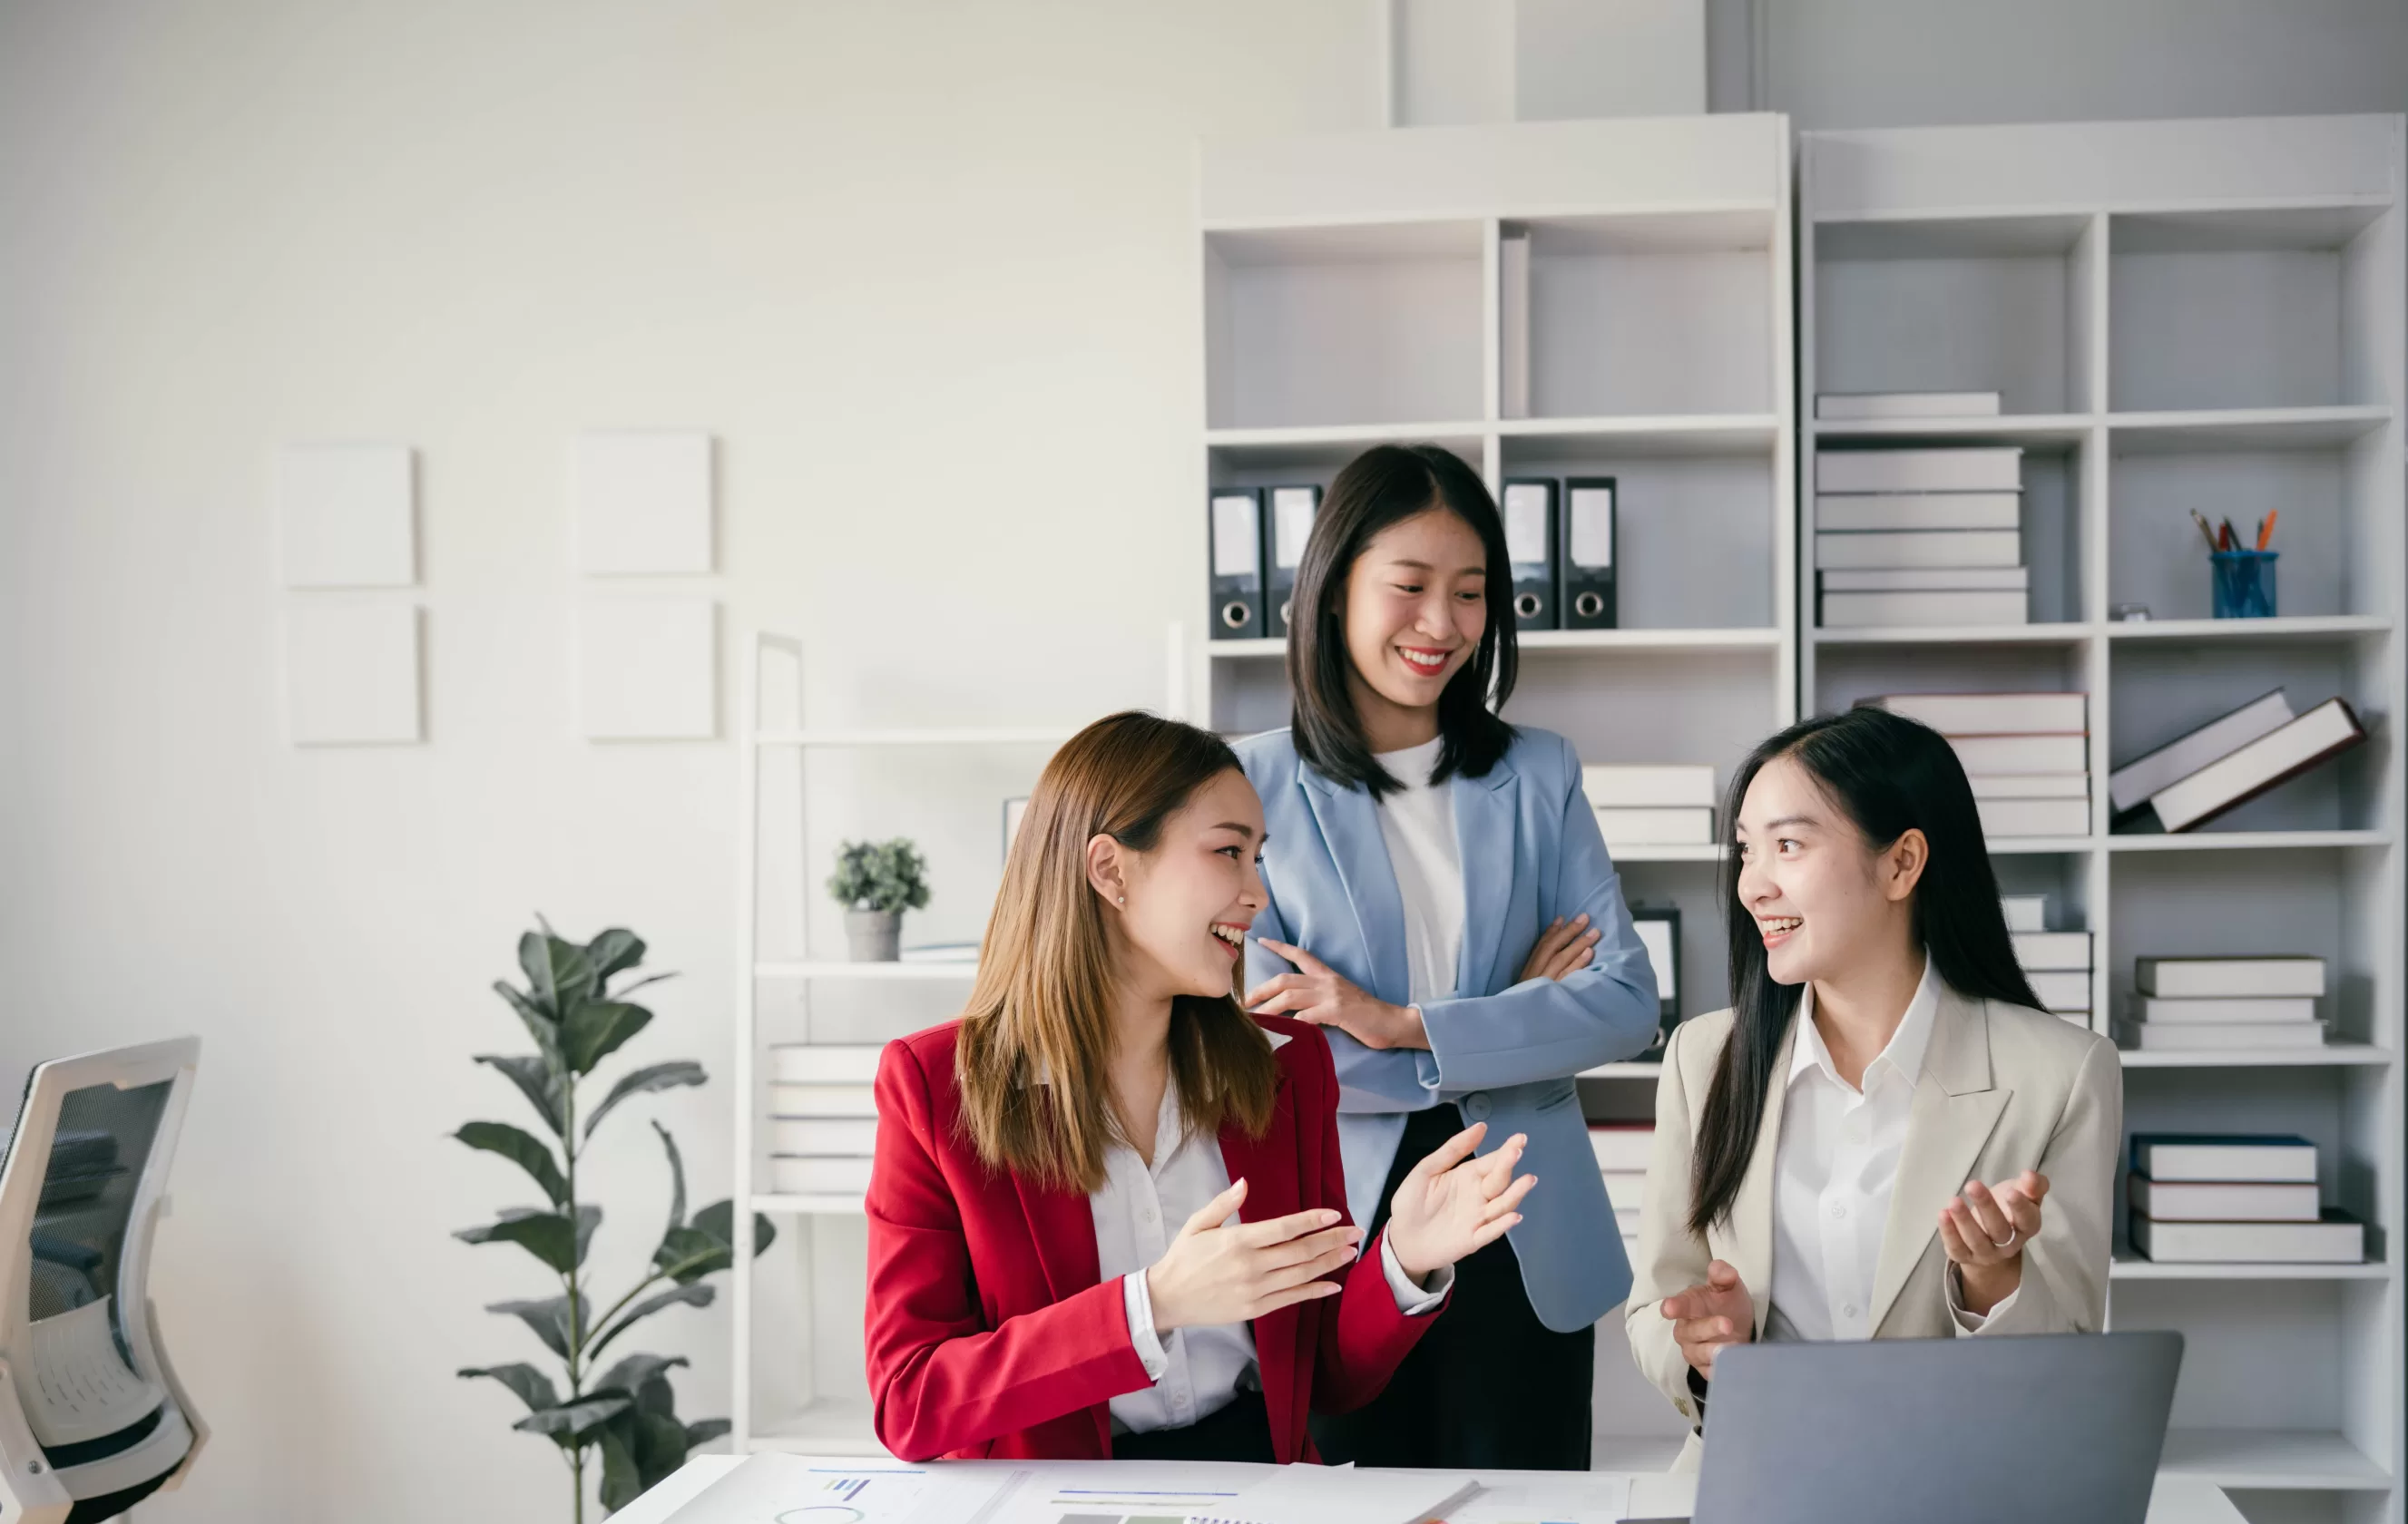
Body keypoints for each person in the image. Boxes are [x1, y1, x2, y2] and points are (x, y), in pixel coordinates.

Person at [864, 709, 1535, 1463]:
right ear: (1110, 870)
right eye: (1228, 852)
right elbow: (910, 1401)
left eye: (1259, 857)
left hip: (1255, 1485)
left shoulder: (1290, 1067)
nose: (1256, 891)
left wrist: (1403, 1259)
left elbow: (1324, 1379)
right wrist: (1154, 1306)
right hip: (1053, 1512)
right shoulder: (933, 1088)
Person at [1235, 443, 1659, 1471]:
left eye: (1470, 593)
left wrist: (1399, 1022)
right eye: (1410, 587)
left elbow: (1627, 1003)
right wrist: (1515, 1016)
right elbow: (1268, 1053)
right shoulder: (1247, 785)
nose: (1442, 624)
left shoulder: (1538, 773)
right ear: (1334, 592)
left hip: (1519, 1208)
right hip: (1336, 1222)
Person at [1625, 707, 2119, 1470]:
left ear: (1902, 864)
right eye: (1747, 852)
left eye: (1788, 845)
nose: (1753, 886)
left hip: (1960, 1495)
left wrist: (1993, 1281)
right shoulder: (1704, 1057)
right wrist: (1705, 1350)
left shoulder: (2061, 1073)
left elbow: (2070, 1356)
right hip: (1752, 1485)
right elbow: (1658, 1301)